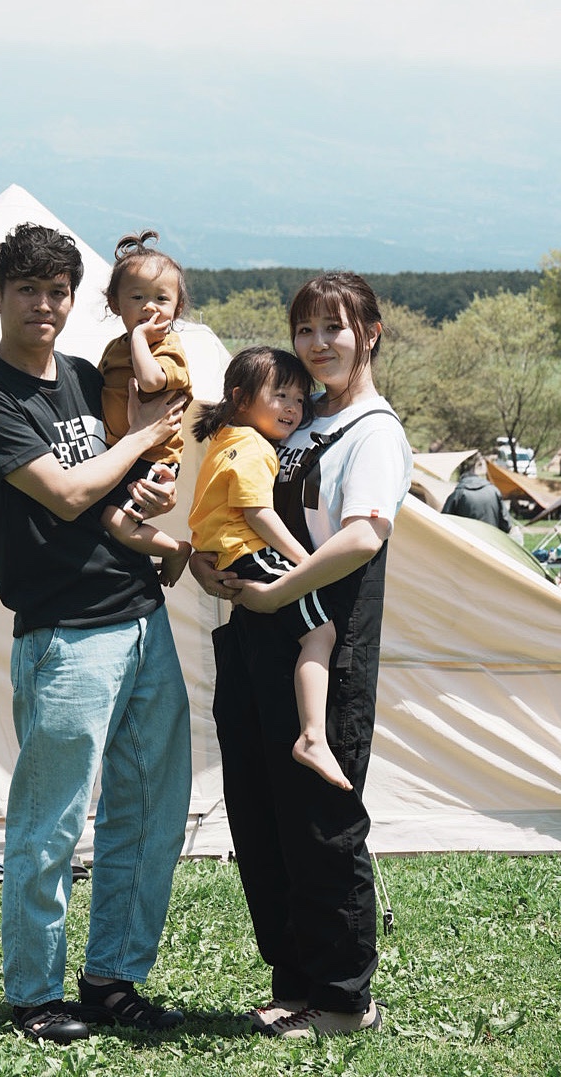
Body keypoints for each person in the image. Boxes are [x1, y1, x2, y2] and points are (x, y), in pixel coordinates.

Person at [0, 222, 193, 1045]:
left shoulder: (93, 378)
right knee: (52, 820)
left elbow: (121, 486)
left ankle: (111, 978)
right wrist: (136, 440)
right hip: (64, 634)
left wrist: (151, 499)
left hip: (141, 617)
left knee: (150, 808)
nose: (45, 305)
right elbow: (61, 492)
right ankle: (34, 993)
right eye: (28, 290)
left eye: (58, 291)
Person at [189, 271, 413, 1041]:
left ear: (370, 332)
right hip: (255, 637)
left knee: (321, 820)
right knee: (263, 816)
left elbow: (362, 535)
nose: (318, 346)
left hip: (326, 641)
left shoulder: (373, 431)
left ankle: (344, 996)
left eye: (334, 329)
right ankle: (295, 981)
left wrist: (281, 593)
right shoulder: (293, 418)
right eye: (306, 331)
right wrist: (205, 564)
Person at [188, 346, 350, 790]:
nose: (293, 408)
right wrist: (307, 561)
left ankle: (309, 735)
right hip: (248, 550)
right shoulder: (255, 446)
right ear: (241, 399)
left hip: (225, 552)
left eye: (299, 399)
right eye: (281, 396)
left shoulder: (225, 439)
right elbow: (257, 512)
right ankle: (313, 736)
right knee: (321, 633)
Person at [97, 231, 194, 587]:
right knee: (106, 519)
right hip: (120, 453)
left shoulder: (168, 348)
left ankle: (173, 550)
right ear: (115, 304)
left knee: (116, 521)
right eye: (137, 297)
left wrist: (140, 338)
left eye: (161, 299)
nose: (149, 306)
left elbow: (152, 382)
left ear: (177, 308)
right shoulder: (114, 348)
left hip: (156, 457)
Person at [442, 460, 512, 532]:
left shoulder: (458, 493)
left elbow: (444, 522)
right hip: (491, 540)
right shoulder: (493, 490)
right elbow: (506, 524)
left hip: (468, 540)